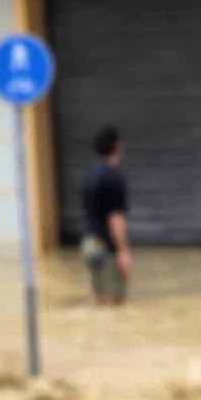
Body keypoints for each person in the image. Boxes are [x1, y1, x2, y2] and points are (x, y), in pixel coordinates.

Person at [80, 125, 131, 306]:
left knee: (99, 300)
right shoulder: (114, 178)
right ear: (117, 147)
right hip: (107, 248)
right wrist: (123, 251)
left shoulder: (89, 175)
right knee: (115, 303)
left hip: (89, 244)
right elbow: (115, 218)